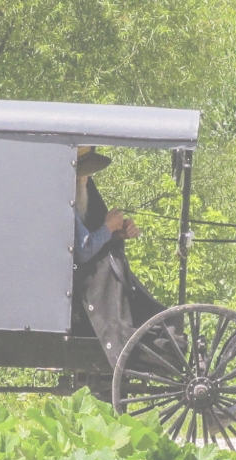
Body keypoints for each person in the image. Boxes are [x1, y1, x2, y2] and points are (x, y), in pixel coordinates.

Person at [71, 147, 168, 370]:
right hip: (78, 281)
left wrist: (117, 233)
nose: (86, 179)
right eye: (83, 174)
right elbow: (83, 250)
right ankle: (122, 337)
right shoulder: (65, 198)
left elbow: (97, 235)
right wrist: (108, 228)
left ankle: (151, 329)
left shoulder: (86, 190)